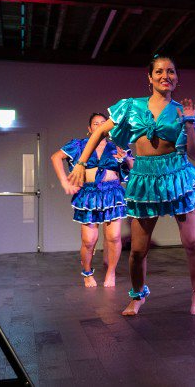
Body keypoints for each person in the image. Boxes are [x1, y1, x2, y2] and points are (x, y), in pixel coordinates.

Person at [68, 55, 195, 316]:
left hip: (177, 173)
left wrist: (189, 124)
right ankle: (137, 295)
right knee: (137, 250)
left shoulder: (184, 111)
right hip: (144, 176)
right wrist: (80, 163)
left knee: (192, 242)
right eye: (159, 71)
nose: (165, 76)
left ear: (177, 78)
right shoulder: (132, 107)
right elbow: (100, 132)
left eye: (170, 71)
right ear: (149, 77)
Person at [51, 113, 131, 288]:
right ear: (90, 129)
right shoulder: (79, 145)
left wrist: (125, 158)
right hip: (89, 195)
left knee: (114, 237)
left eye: (104, 123)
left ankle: (111, 273)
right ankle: (87, 272)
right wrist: (65, 181)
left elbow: (132, 168)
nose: (100, 126)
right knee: (89, 241)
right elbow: (56, 157)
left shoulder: (115, 146)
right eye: (96, 124)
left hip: (112, 193)